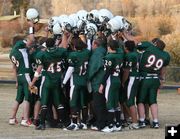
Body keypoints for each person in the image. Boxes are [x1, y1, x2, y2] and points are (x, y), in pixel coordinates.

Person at [29, 32, 69, 130]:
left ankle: (42, 124)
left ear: (46, 45)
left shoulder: (42, 54)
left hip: (47, 81)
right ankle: (64, 122)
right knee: (59, 103)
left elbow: (38, 70)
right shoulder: (60, 52)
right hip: (57, 81)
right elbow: (64, 47)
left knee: (44, 102)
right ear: (54, 44)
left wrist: (32, 82)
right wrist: (65, 35)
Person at [137, 39, 170, 128]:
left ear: (155, 44)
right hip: (155, 78)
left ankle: (142, 120)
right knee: (153, 101)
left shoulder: (149, 47)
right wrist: (162, 80)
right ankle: (155, 121)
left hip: (145, 78)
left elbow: (137, 44)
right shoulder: (166, 55)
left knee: (140, 101)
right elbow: (163, 69)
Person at [9, 21, 35, 127]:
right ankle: (25, 119)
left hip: (19, 77)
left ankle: (12, 118)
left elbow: (14, 68)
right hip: (26, 75)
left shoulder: (13, 53)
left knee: (18, 99)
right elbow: (31, 39)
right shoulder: (20, 46)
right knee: (28, 98)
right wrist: (31, 28)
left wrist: (16, 81)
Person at [62, 38, 91, 130]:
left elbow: (70, 69)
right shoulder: (86, 52)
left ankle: (74, 124)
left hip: (76, 81)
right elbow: (88, 48)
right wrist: (88, 39)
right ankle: (84, 122)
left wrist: (64, 82)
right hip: (84, 81)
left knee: (73, 102)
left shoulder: (73, 55)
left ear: (74, 46)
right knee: (83, 103)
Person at [99, 40, 124, 133]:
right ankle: (118, 124)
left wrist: (102, 84)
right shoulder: (120, 54)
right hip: (117, 79)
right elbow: (120, 50)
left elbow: (108, 72)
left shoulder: (109, 57)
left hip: (111, 80)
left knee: (109, 102)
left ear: (109, 47)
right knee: (116, 102)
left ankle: (110, 126)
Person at [88, 38, 107, 131]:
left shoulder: (97, 53)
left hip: (98, 81)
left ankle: (100, 123)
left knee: (98, 103)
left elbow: (94, 67)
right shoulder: (105, 50)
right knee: (103, 103)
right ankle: (103, 121)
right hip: (106, 80)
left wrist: (88, 77)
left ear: (96, 44)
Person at [122, 40, 140, 129]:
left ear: (126, 47)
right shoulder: (136, 53)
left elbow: (127, 71)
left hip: (132, 78)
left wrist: (123, 81)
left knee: (130, 101)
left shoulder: (129, 55)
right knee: (127, 100)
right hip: (136, 77)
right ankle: (131, 119)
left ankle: (135, 123)